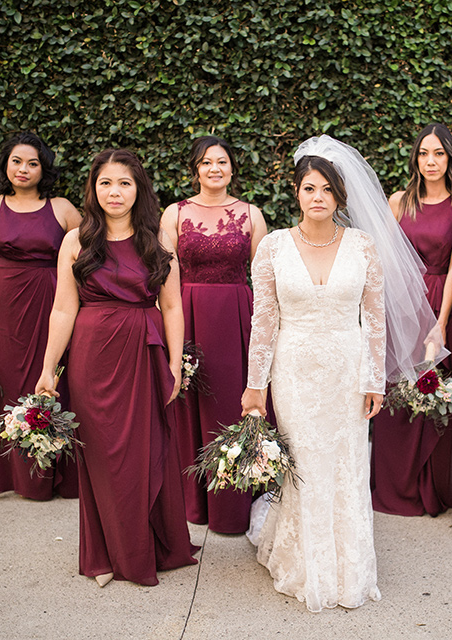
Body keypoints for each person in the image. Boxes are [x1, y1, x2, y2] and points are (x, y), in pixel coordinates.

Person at [242, 135, 444, 612]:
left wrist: (374, 379)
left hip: (347, 371)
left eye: (327, 190)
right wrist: (256, 386)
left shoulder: (363, 246)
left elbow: (375, 320)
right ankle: (303, 564)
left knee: (348, 464)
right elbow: (263, 322)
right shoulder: (271, 248)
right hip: (294, 370)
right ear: (296, 191)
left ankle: (349, 568)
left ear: (340, 196)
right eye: (309, 188)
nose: (318, 198)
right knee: (305, 465)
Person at [35, 149, 198, 587]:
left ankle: (149, 545)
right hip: (92, 358)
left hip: (143, 356)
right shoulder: (77, 241)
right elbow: (63, 310)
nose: (115, 192)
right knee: (103, 458)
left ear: (139, 189)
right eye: (105, 182)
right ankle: (106, 553)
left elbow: (172, 307)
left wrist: (175, 362)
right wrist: (49, 368)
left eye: (124, 183)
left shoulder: (159, 240)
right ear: (93, 188)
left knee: (144, 452)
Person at [0, 131, 80, 500]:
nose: (23, 169)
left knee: (60, 381)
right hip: (3, 309)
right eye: (17, 161)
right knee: (10, 387)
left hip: (52, 301)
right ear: (5, 165)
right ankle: (22, 478)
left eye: (33, 163)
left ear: (44, 169)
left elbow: (88, 257)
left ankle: (65, 476)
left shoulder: (62, 208)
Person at [161, 135, 268, 534]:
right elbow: (164, 275)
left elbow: (265, 280)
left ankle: (232, 506)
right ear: (196, 169)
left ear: (232, 168)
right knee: (188, 405)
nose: (214, 169)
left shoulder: (252, 215)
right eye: (206, 162)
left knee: (229, 404)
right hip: (187, 314)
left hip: (236, 316)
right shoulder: (174, 213)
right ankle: (193, 502)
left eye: (221, 161)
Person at [370, 123, 452, 517]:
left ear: (449, 158)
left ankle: (429, 488)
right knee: (396, 390)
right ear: (415, 158)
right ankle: (393, 488)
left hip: (437, 301)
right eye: (424, 154)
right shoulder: (399, 200)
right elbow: (379, 260)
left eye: (439, 154)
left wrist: (440, 322)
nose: (430, 161)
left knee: (431, 388)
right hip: (397, 304)